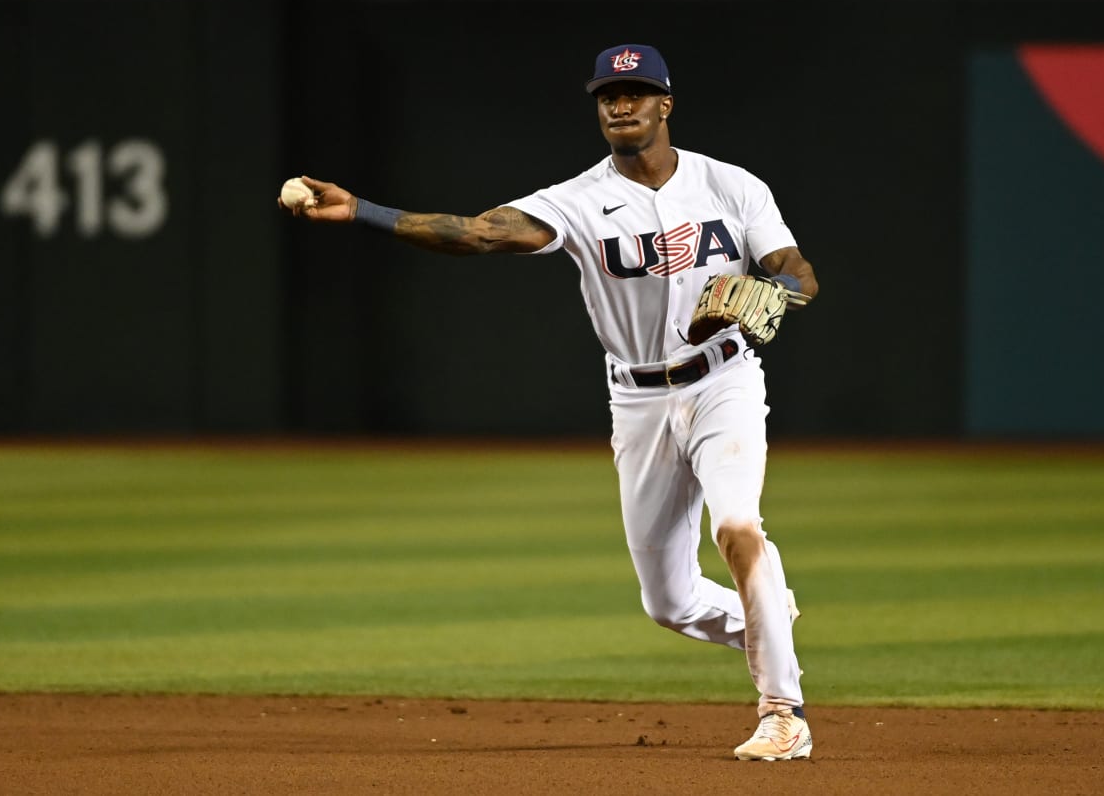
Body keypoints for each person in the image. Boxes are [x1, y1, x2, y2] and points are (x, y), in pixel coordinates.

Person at [282, 43, 820, 761]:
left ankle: (783, 711)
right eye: (608, 96)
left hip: (723, 381)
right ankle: (766, 613)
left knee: (738, 528)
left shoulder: (732, 187)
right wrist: (363, 213)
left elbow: (796, 272)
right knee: (669, 602)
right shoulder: (576, 199)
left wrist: (773, 292)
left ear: (666, 103)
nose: (621, 105)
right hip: (636, 399)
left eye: (635, 92)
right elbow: (475, 233)